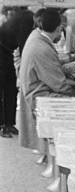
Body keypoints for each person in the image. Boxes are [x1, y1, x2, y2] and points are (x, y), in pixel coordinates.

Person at [18, 8, 75, 149]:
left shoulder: (36, 37)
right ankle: (68, 153)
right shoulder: (41, 48)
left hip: (34, 90)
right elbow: (60, 86)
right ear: (58, 28)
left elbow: (51, 64)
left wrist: (73, 61)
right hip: (40, 96)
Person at [0, 9, 18, 137]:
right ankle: (2, 126)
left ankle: (10, 124)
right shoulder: (5, 24)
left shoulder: (13, 24)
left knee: (11, 91)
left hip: (8, 57)